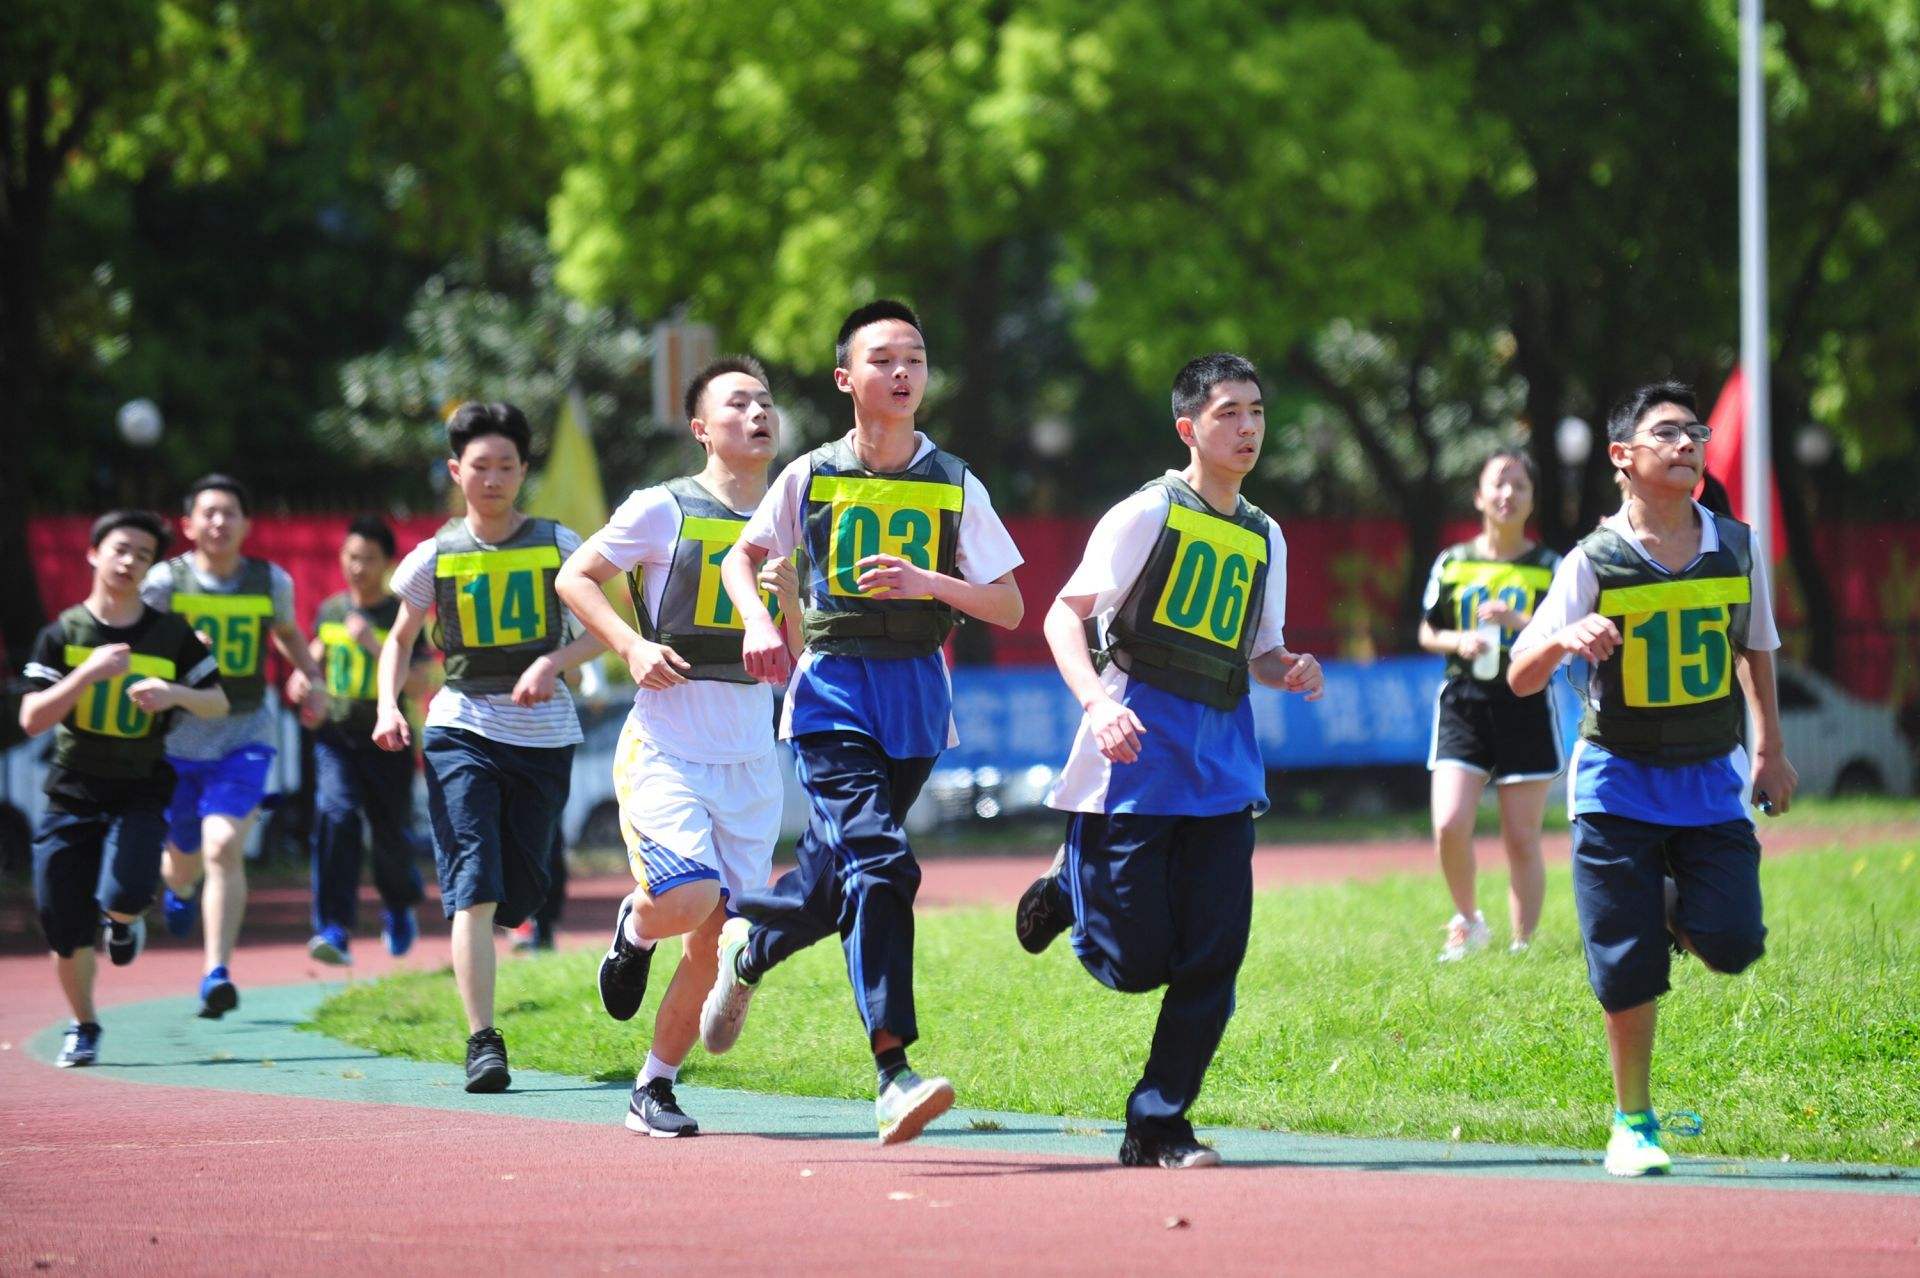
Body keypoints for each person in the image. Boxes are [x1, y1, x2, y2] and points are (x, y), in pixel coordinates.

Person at [702, 300, 1025, 1145]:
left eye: (915, 357)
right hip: (833, 692)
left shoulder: (956, 480)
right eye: (883, 359)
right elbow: (741, 558)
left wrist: (932, 584)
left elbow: (1011, 605)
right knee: (881, 866)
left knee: (829, 880)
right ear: (847, 378)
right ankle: (893, 1073)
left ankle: (749, 949)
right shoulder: (809, 473)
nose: (903, 373)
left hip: (916, 696)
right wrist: (759, 621)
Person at [1012, 353, 1323, 1170]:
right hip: (1133, 759)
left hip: (1222, 768)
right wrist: (1097, 703)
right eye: (1228, 413)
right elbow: (1060, 616)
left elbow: (1260, 651)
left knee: (1214, 956)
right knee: (1133, 963)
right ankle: (1066, 886)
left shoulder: (1265, 534)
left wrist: (1289, 667)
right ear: (1189, 428)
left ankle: (1158, 1124)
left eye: (1256, 410)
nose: (1248, 426)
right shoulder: (1147, 513)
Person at [1509, 381, 1796, 1178]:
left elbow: (1756, 651)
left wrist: (1770, 748)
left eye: (1695, 432)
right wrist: (1568, 634)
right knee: (1627, 966)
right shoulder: (1592, 560)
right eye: (1666, 433)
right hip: (1616, 783)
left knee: (1735, 944)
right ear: (1622, 458)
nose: (1687, 445)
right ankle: (1633, 1123)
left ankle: (1665, 907)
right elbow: (1521, 676)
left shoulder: (1735, 547)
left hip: (1710, 780)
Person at [556, 354, 803, 1137]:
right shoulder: (661, 507)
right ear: (701, 429)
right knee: (690, 897)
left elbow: (792, 657)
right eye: (739, 404)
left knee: (715, 939)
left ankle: (653, 1087)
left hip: (750, 758)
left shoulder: (790, 525)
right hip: (666, 746)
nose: (758, 414)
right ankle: (632, 931)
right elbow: (576, 577)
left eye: (766, 402)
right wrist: (630, 646)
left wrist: (792, 605)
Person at [373, 402, 604, 1093]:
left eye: (507, 465)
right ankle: (483, 1041)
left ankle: (510, 905)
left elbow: (604, 630)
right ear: (456, 472)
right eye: (480, 466)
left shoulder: (560, 544)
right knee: (472, 882)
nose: (494, 478)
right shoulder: (434, 555)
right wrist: (389, 705)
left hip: (543, 739)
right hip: (460, 729)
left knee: (522, 890)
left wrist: (552, 663)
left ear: (524, 472)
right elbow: (400, 637)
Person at [20, 512, 227, 1066]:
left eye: (142, 553)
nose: (129, 561)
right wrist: (86, 674)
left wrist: (176, 692)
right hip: (73, 789)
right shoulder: (63, 632)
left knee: (128, 888)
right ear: (94, 553)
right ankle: (84, 1024)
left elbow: (218, 701)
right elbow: (32, 718)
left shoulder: (171, 634)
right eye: (120, 549)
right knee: (62, 922)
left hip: (139, 785)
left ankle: (124, 920)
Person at [145, 475, 326, 1018]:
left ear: (247, 524)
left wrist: (311, 678)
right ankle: (177, 891)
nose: (219, 523)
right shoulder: (163, 582)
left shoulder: (269, 581)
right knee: (181, 861)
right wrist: (178, 649)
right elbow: (134, 647)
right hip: (176, 742)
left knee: (223, 847)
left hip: (245, 735)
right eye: (208, 513)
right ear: (188, 524)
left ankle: (216, 972)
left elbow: (287, 633)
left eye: (230, 513)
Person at [1416, 450, 1563, 960]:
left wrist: (1518, 622)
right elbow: (1427, 629)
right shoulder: (1453, 562)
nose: (1507, 494)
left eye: (1519, 485)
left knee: (1521, 837)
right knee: (1449, 823)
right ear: (1479, 496)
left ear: (1531, 500)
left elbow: (1566, 634)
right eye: (1498, 483)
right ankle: (1469, 920)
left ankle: (1524, 947)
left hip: (1526, 701)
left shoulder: (1551, 567)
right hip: (1464, 703)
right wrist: (1459, 641)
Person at [286, 516, 431, 965]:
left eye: (369, 559)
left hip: (388, 741)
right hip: (336, 741)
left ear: (388, 563)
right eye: (351, 557)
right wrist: (302, 677)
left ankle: (399, 904)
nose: (358, 567)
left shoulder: (401, 613)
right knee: (336, 815)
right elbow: (316, 656)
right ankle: (333, 927)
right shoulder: (330, 610)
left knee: (390, 836)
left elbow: (420, 682)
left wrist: (373, 643)